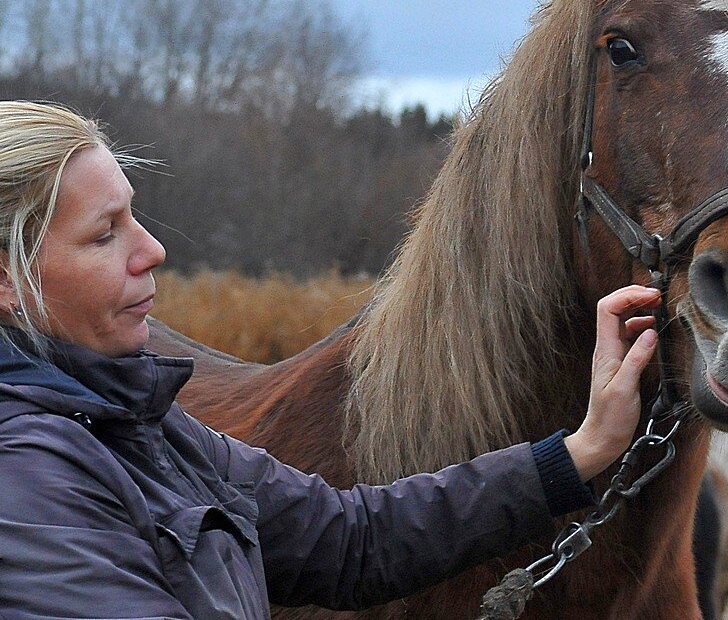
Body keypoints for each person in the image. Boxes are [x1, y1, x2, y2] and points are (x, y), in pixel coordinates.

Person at [0, 100, 661, 618]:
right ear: (8, 278)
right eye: (104, 233)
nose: (150, 251)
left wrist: (580, 451)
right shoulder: (27, 475)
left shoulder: (136, 420)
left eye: (134, 217)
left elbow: (351, 537)